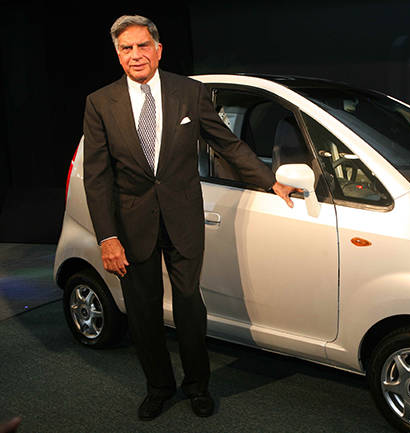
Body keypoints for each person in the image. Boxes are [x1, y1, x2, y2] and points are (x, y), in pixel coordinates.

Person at [82, 15, 297, 421]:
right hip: (131, 225)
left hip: (182, 219)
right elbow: (97, 177)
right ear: (117, 54)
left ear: (158, 49)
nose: (136, 55)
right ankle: (159, 387)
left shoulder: (189, 92)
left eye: (143, 46)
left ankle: (197, 387)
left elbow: (227, 144)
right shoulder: (100, 103)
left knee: (188, 307)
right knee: (143, 313)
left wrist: (270, 181)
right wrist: (107, 237)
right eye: (126, 48)